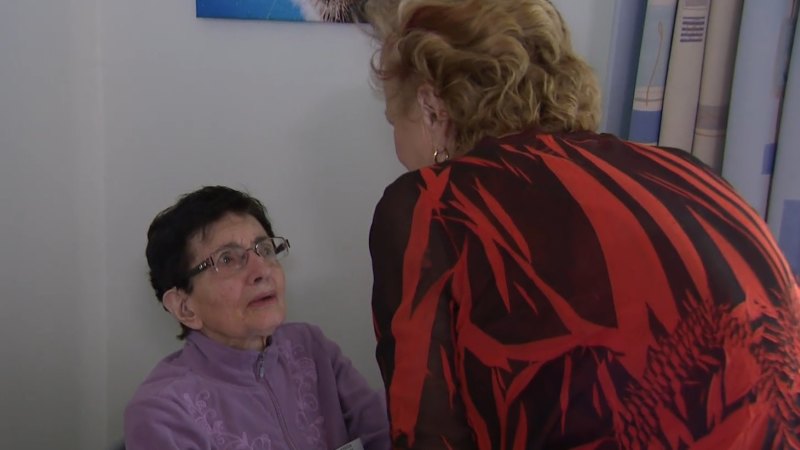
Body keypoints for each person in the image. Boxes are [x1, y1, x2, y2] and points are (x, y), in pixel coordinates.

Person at [364, 0, 800, 448]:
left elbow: (428, 434)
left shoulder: (432, 206)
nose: (396, 144)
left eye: (392, 120)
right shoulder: (687, 173)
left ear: (431, 105)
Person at [124, 185, 390, 450]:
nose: (262, 269)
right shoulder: (163, 413)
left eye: (263, 249)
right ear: (185, 307)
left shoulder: (311, 348)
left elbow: (387, 435)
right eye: (227, 259)